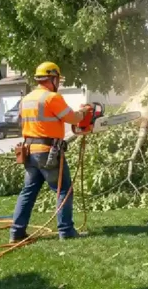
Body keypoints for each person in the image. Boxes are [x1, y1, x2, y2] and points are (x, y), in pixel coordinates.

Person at [9, 62, 91, 243]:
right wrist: (84, 112)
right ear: (53, 78)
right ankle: (66, 230)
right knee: (64, 190)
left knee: (28, 192)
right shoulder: (52, 98)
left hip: (29, 151)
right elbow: (73, 118)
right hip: (48, 152)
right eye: (57, 80)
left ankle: (16, 232)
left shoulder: (27, 99)